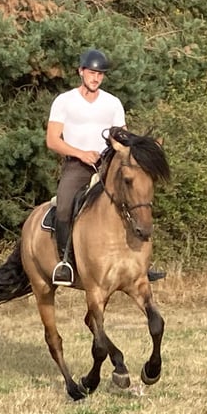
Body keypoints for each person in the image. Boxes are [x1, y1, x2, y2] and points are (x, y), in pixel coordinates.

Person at [46, 48, 124, 285]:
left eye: (100, 74)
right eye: (92, 72)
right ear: (81, 72)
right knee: (64, 206)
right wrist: (81, 153)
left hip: (107, 165)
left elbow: (122, 136)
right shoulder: (65, 101)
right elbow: (52, 140)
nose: (96, 78)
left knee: (136, 200)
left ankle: (138, 263)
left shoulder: (113, 103)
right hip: (77, 167)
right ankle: (65, 262)